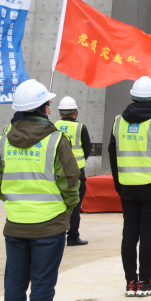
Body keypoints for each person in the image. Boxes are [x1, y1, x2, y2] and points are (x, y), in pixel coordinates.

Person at [0, 79, 80, 301]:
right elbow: (70, 181)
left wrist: (18, 203)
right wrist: (67, 209)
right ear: (44, 108)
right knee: (42, 284)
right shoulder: (55, 140)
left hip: (15, 223)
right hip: (49, 225)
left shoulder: (4, 141)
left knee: (15, 284)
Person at [109, 76, 151, 297]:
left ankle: (131, 283)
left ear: (133, 97)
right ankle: (145, 281)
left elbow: (113, 155)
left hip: (127, 187)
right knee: (147, 235)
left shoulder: (118, 121)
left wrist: (119, 184)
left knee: (129, 234)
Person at [55, 96, 93, 247]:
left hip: (57, 172)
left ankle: (57, 235)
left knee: (58, 205)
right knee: (75, 206)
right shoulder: (80, 128)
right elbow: (88, 149)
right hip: (77, 173)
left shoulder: (54, 126)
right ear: (75, 112)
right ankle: (72, 236)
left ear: (60, 113)